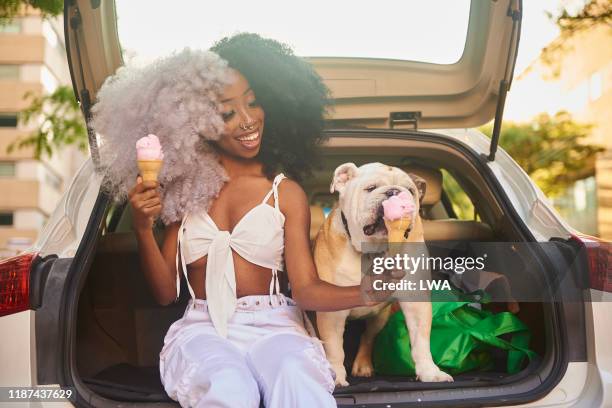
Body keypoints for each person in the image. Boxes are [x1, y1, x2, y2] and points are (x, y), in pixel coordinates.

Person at [115, 33, 390, 408]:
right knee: (229, 388)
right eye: (228, 113)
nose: (248, 121)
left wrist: (370, 291)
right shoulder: (183, 191)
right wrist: (144, 227)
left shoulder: (286, 192)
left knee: (297, 382)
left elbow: (306, 290)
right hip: (203, 328)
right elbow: (165, 293)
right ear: (197, 122)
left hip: (276, 326)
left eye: (254, 102)